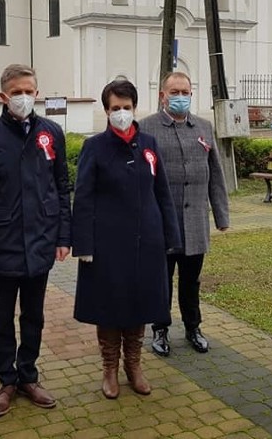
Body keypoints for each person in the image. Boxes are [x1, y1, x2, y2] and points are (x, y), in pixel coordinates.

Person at [0, 64, 72, 417]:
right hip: (2, 244)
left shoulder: (52, 133)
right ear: (3, 96)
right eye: (16, 92)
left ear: (37, 92)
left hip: (41, 241)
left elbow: (61, 189)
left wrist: (63, 235)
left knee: (34, 316)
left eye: (29, 90)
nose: (23, 97)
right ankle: (6, 380)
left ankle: (28, 375)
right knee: (2, 318)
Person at [72, 78, 182, 399]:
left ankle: (133, 365)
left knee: (139, 304)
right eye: (115, 108)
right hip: (106, 244)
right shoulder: (94, 147)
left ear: (135, 108)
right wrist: (84, 245)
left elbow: (161, 192)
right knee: (109, 306)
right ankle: (109, 369)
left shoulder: (149, 144)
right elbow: (84, 198)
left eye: (126, 107)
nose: (121, 113)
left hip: (145, 242)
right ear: (106, 111)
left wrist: (169, 235)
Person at [138, 71, 229, 357]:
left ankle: (193, 328)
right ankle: (160, 330)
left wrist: (221, 216)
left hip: (195, 223)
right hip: (162, 224)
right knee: (161, 280)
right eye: (174, 92)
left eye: (185, 92)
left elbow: (216, 173)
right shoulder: (146, 128)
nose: (180, 97)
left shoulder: (203, 127)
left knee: (191, 281)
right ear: (162, 95)